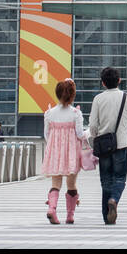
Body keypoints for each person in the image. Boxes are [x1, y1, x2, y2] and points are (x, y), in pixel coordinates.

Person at [87, 66, 127, 225]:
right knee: (119, 179)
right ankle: (114, 199)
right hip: (121, 144)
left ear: (103, 83)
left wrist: (96, 138)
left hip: (103, 146)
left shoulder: (98, 99)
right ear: (119, 81)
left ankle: (107, 217)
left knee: (105, 181)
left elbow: (92, 125)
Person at [40, 78, 84, 225]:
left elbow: (46, 134)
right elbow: (79, 134)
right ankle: (70, 215)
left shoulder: (49, 113)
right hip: (72, 152)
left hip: (55, 152)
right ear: (72, 95)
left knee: (55, 183)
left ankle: (52, 208)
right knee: (71, 184)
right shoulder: (75, 113)